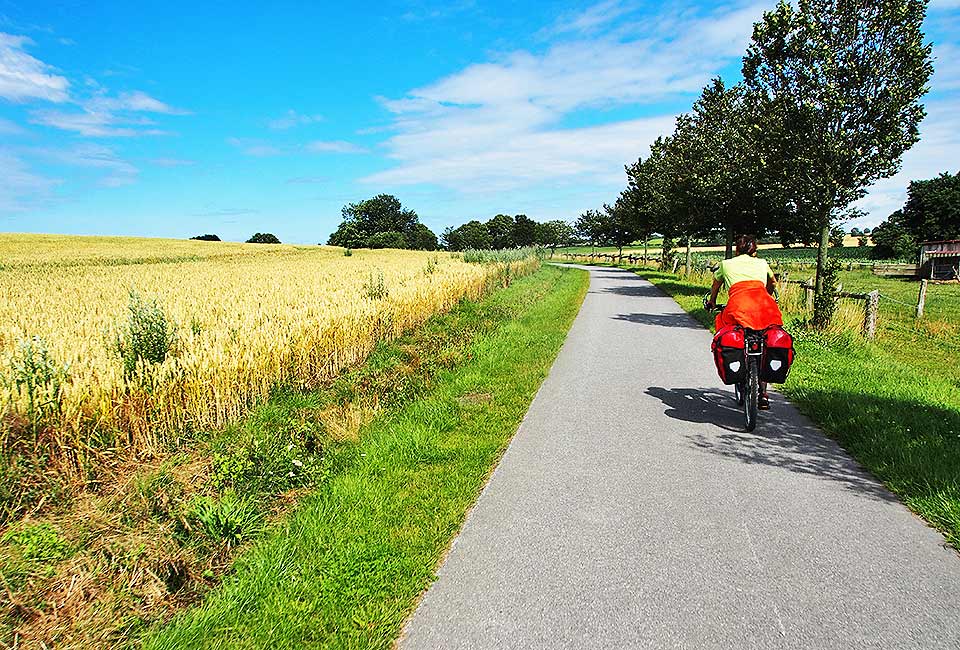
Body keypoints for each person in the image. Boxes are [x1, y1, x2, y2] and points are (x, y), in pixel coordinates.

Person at [705, 234, 782, 410]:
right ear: (754, 251)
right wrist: (767, 295)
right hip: (765, 306)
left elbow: (716, 285)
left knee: (727, 329)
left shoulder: (726, 264)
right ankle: (762, 391)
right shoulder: (762, 264)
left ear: (736, 249)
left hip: (738, 307)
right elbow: (773, 283)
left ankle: (737, 364)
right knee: (767, 340)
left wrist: (712, 302)